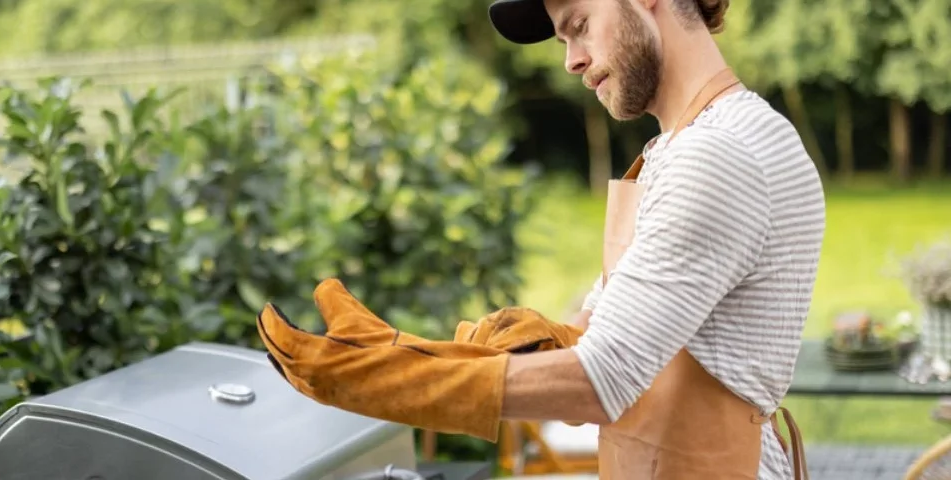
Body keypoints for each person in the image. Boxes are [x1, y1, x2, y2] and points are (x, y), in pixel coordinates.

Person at [256, 0, 825, 478]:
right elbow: (598, 336)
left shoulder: (718, 154)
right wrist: (474, 347)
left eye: (579, 25)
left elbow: (601, 380)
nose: (573, 61)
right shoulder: (680, 148)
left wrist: (385, 378)